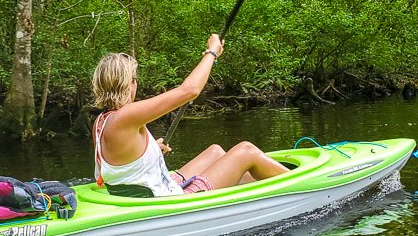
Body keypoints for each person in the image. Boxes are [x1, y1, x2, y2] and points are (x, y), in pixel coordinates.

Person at [92, 34, 288, 197]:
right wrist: (211, 52)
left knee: (216, 152)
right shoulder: (126, 116)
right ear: (130, 83)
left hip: (149, 190)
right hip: (167, 201)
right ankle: (301, 183)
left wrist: (152, 150)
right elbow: (190, 90)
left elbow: (123, 165)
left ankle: (261, 189)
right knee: (247, 151)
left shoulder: (101, 122)